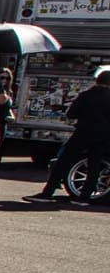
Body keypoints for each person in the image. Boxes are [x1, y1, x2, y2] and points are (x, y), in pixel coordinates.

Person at [27, 65, 110, 205]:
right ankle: (84, 197)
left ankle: (48, 192)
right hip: (104, 135)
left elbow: (71, 113)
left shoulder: (86, 95)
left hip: (83, 132)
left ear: (97, 80)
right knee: (94, 165)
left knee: (64, 162)